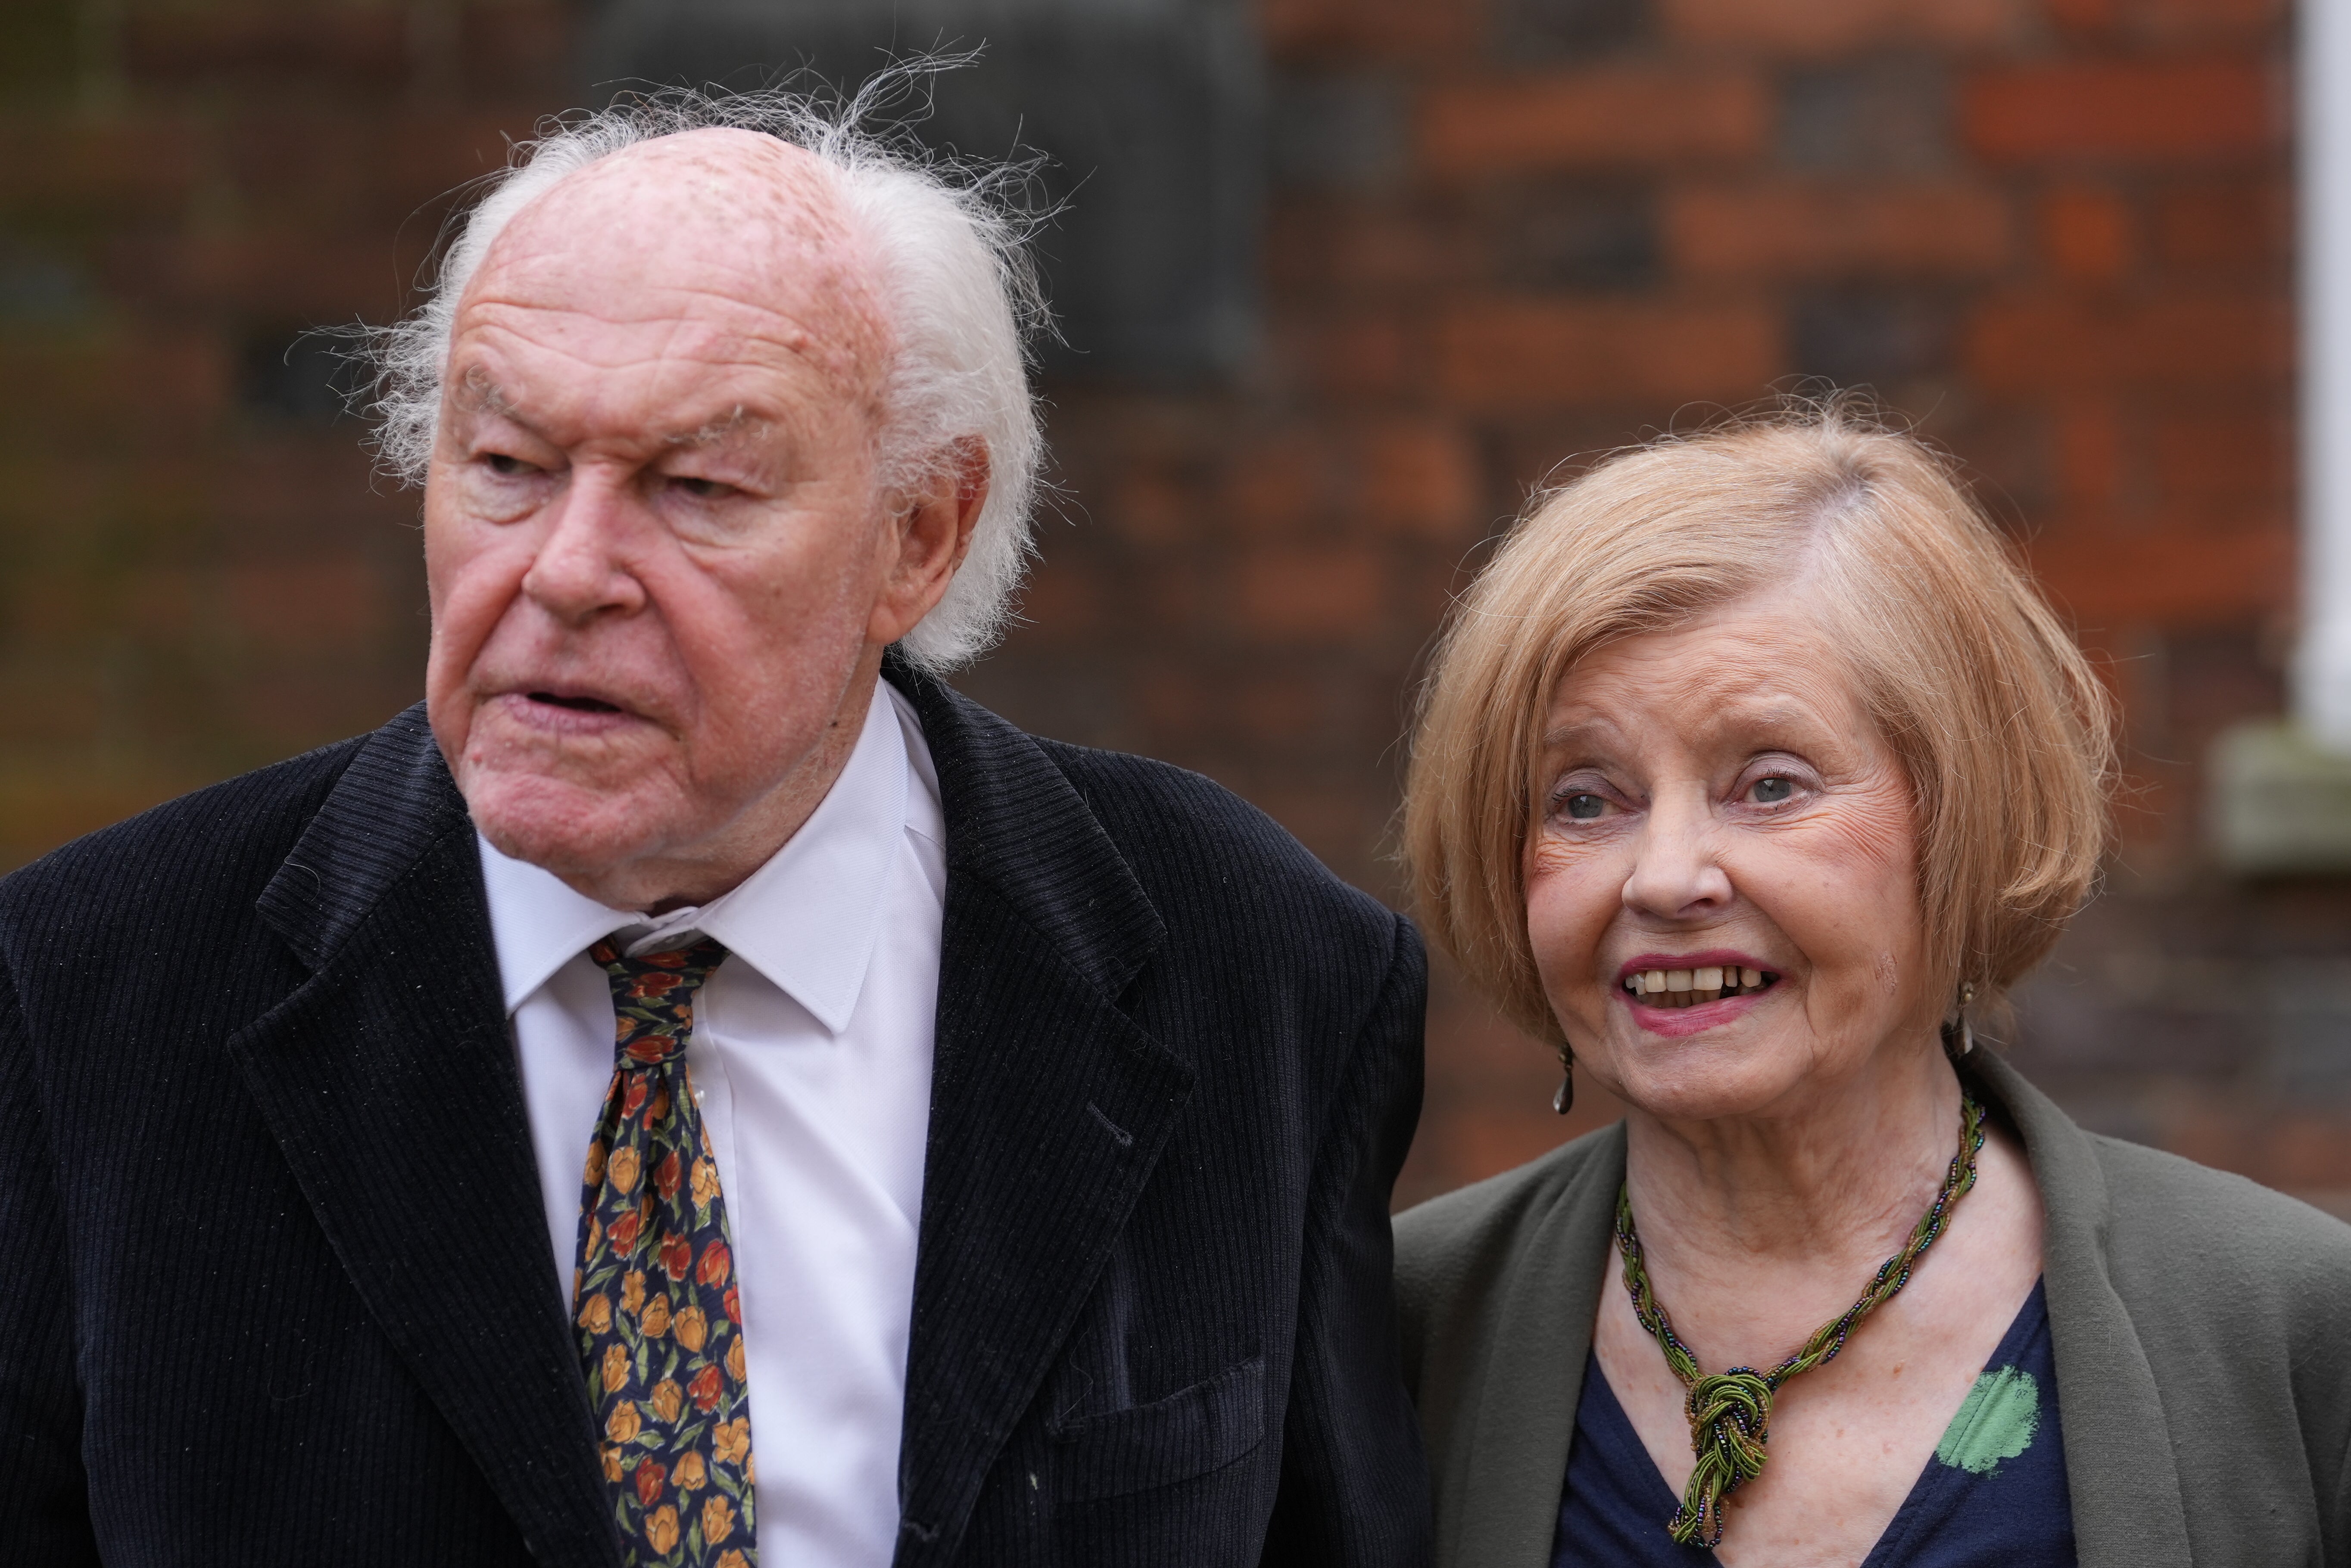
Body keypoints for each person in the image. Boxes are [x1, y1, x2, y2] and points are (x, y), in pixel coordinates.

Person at [0, 85, 1429, 1568]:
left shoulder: (1255, 963)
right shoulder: (89, 992)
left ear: (919, 535)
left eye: (696, 487)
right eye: (505, 468)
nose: (566, 573)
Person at [1391, 408, 2351, 1568]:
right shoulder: (1396, 1335)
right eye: (1585, 801)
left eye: (1772, 785)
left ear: (1958, 818)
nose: (1667, 876)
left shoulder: (2286, 1327)